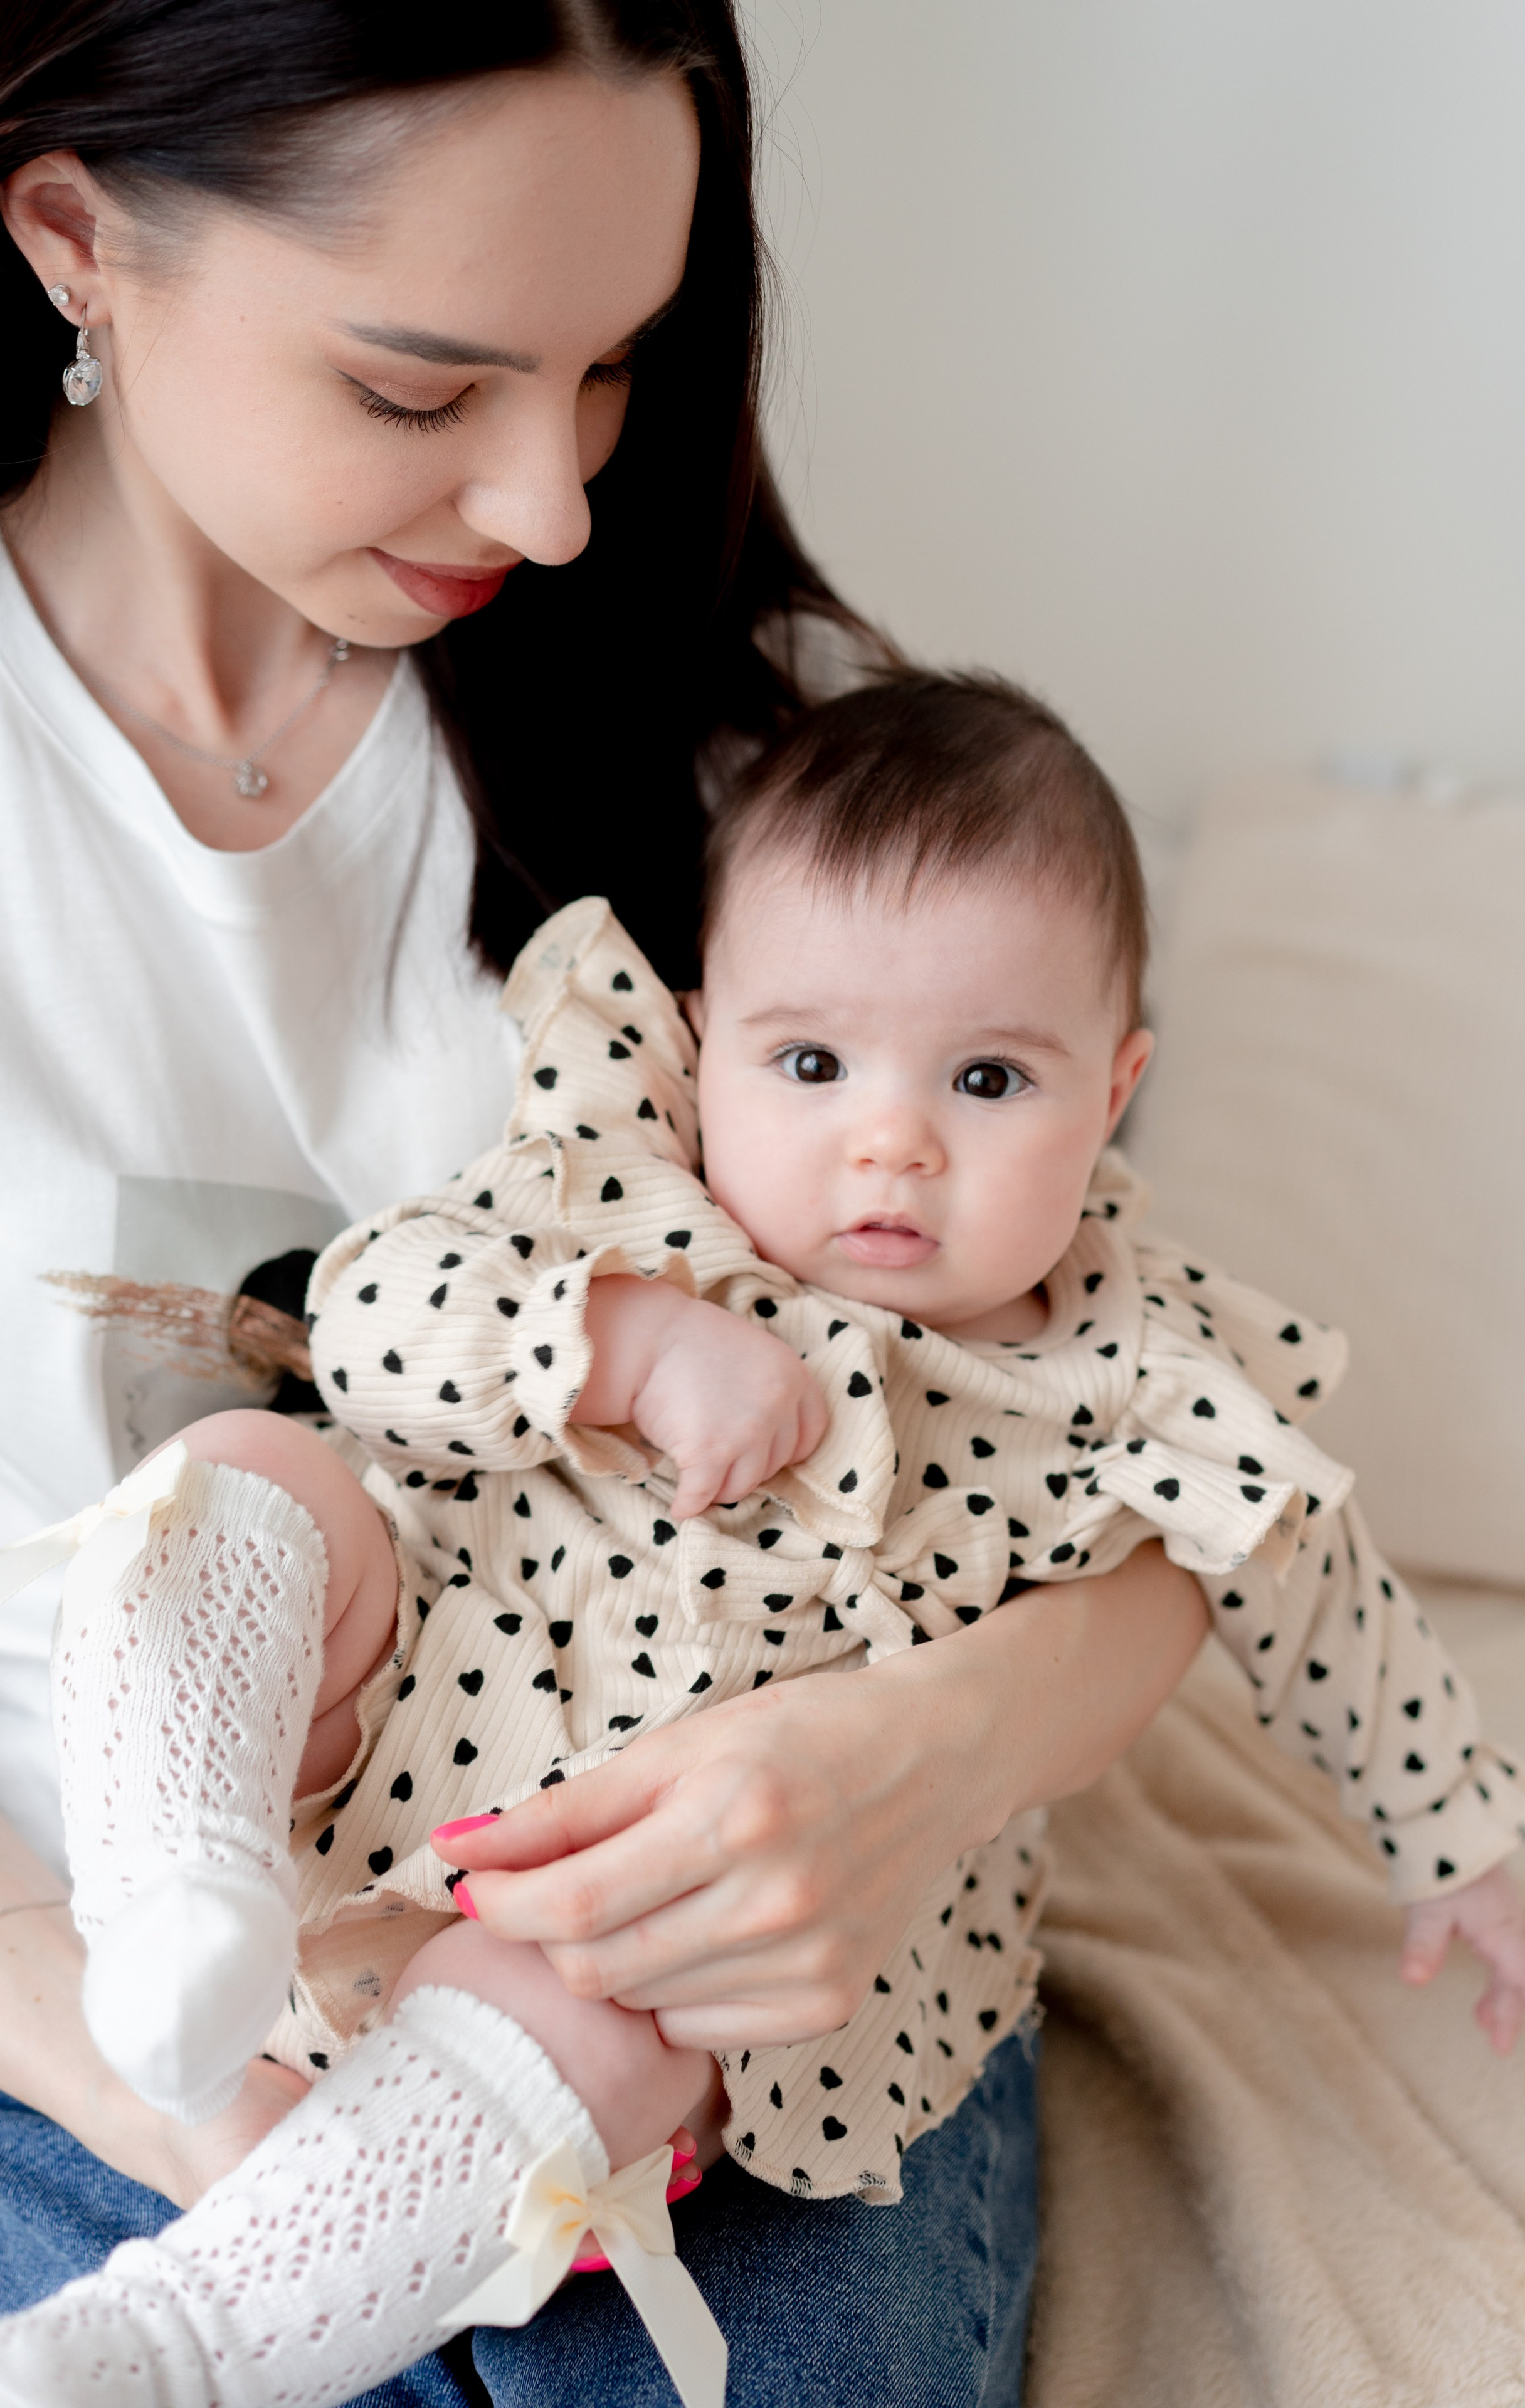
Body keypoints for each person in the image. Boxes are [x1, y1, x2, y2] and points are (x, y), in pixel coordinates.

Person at [0, 7, 1213, 2402]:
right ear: (77, 240)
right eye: (426, 387)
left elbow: (1152, 1445)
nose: (554, 504)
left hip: (712, 1937)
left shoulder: (780, 791)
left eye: (618, 369)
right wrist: (83, 2024)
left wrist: (919, 1764)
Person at [0, 675, 1525, 2405]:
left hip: (682, 1910)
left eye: (985, 1076)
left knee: (611, 2029)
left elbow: (1312, 1573)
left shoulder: (1143, 1375)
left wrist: (1449, 1835)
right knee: (242, 1468)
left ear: (1116, 1085)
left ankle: (199, 2330)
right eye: (810, 1061)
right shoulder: (625, 1171)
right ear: (700, 1027)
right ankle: (163, 1897)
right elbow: (368, 1327)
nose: (888, 1137)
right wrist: (622, 1340)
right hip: (411, 1687)